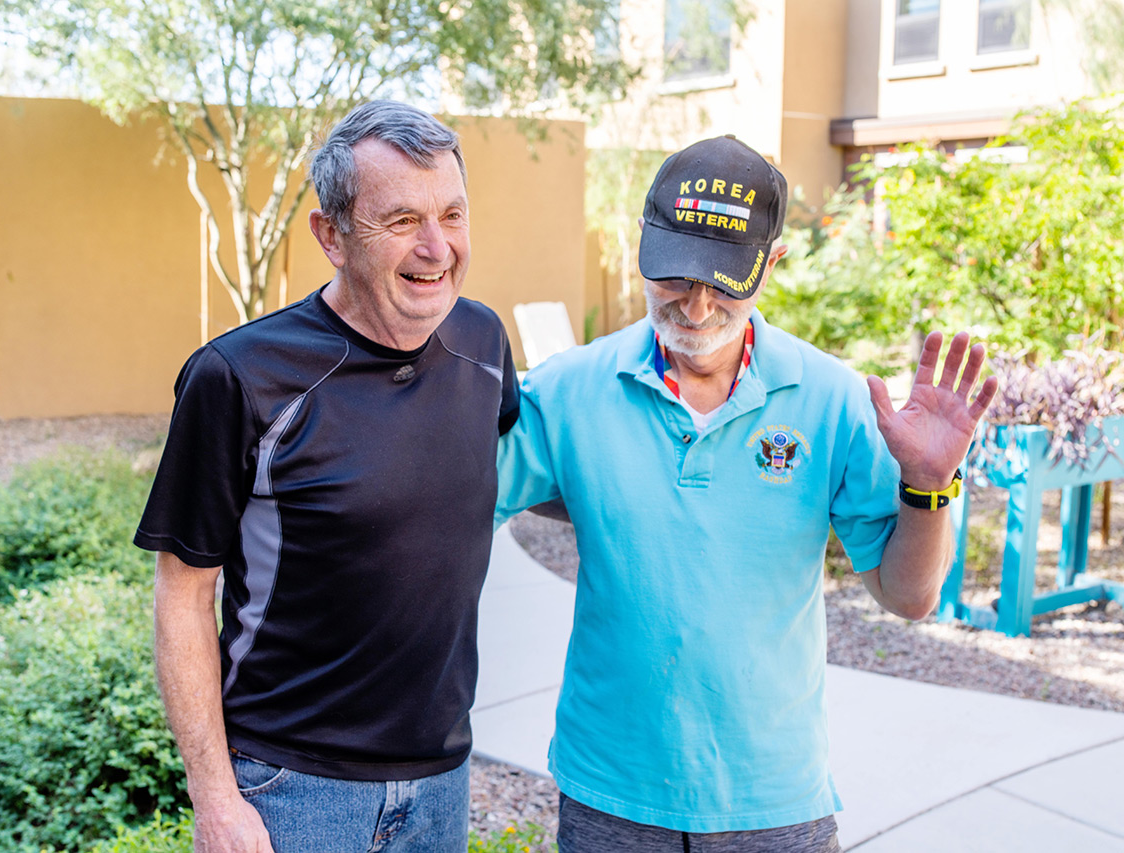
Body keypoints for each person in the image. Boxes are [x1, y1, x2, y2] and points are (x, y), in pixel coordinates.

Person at [495, 134, 998, 853]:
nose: (697, 307)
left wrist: (926, 485)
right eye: (675, 276)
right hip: (612, 796)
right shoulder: (570, 389)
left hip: (775, 803)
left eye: (725, 281)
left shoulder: (831, 399)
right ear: (640, 245)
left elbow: (907, 594)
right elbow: (457, 497)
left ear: (772, 265)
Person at [135, 100, 518, 853]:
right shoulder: (239, 378)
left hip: (444, 781)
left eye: (452, 214)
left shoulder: (484, 341)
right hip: (290, 787)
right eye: (402, 220)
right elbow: (182, 593)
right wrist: (215, 796)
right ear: (331, 235)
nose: (436, 247)